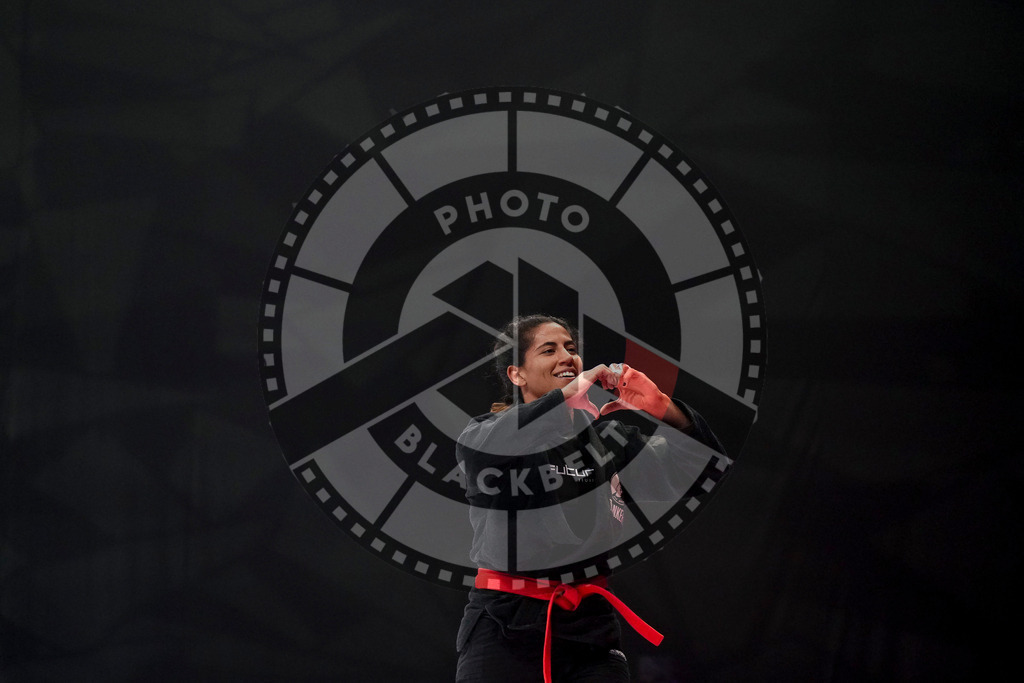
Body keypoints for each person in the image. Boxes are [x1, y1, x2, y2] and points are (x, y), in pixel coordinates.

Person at [454, 315, 725, 683]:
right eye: (549, 350)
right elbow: (482, 450)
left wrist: (663, 407)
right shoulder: (490, 434)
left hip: (590, 632)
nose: (567, 356)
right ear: (517, 375)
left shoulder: (608, 441)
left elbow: (703, 470)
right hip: (505, 627)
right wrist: (564, 396)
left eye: (571, 349)